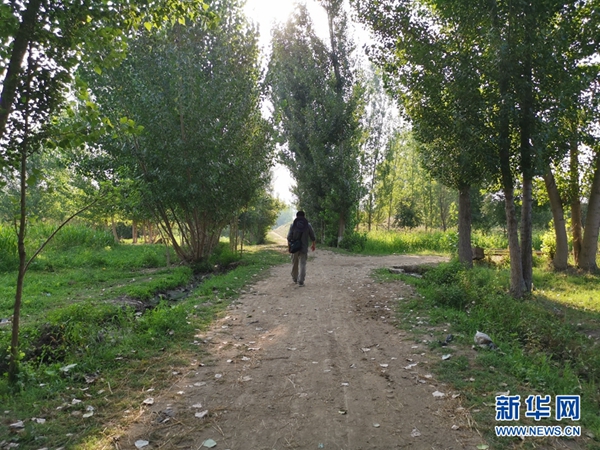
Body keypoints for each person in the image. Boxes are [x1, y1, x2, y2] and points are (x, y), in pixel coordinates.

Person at [287, 210, 316, 286]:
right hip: (304, 247)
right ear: (304, 216)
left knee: (295, 263)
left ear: (297, 216)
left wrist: (289, 247)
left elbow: (289, 237)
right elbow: (313, 237)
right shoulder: (308, 225)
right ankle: (301, 281)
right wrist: (313, 245)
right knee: (303, 263)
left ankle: (295, 278)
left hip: (295, 248)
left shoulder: (293, 225)